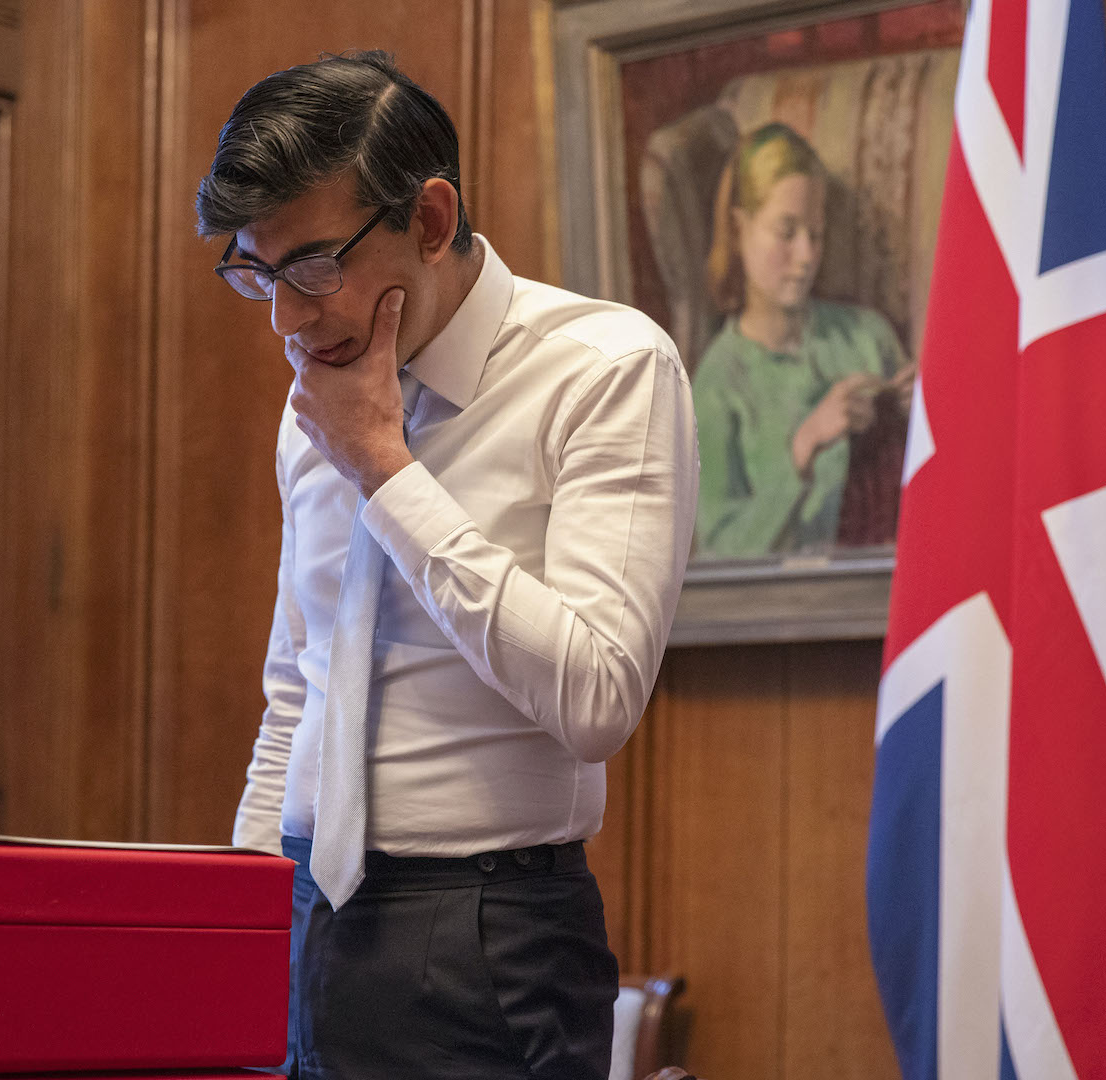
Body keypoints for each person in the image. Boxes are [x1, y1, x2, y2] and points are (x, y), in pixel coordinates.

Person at [197, 51, 698, 1080]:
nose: (288, 319)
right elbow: (298, 687)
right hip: (302, 906)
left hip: (487, 933)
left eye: (314, 268)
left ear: (429, 219)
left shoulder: (605, 369)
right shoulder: (314, 401)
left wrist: (387, 471)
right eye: (258, 274)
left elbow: (599, 697)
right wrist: (243, 923)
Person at [691, 122, 914, 560]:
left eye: (816, 234)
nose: (807, 255)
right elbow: (718, 554)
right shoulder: (717, 383)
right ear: (739, 229)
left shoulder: (867, 336)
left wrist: (923, 414)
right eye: (786, 232)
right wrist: (803, 447)